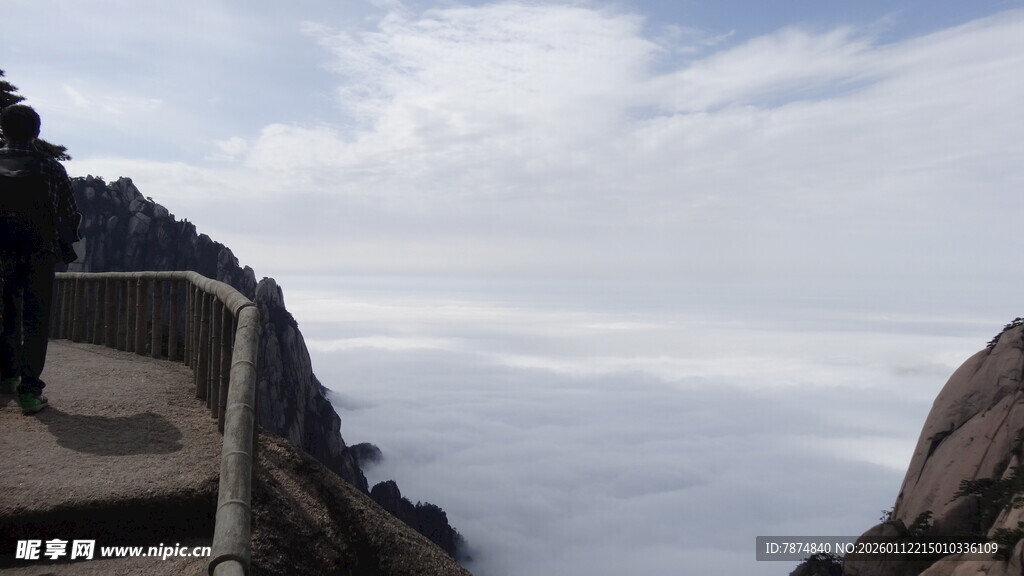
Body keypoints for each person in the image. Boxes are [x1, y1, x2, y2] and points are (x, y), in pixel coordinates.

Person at [0, 104, 80, 415]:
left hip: (1, 253)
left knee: (6, 312)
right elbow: (69, 213)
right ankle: (30, 391)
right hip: (38, 253)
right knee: (34, 318)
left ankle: (6, 375)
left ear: (4, 130)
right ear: (36, 133)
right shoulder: (51, 168)